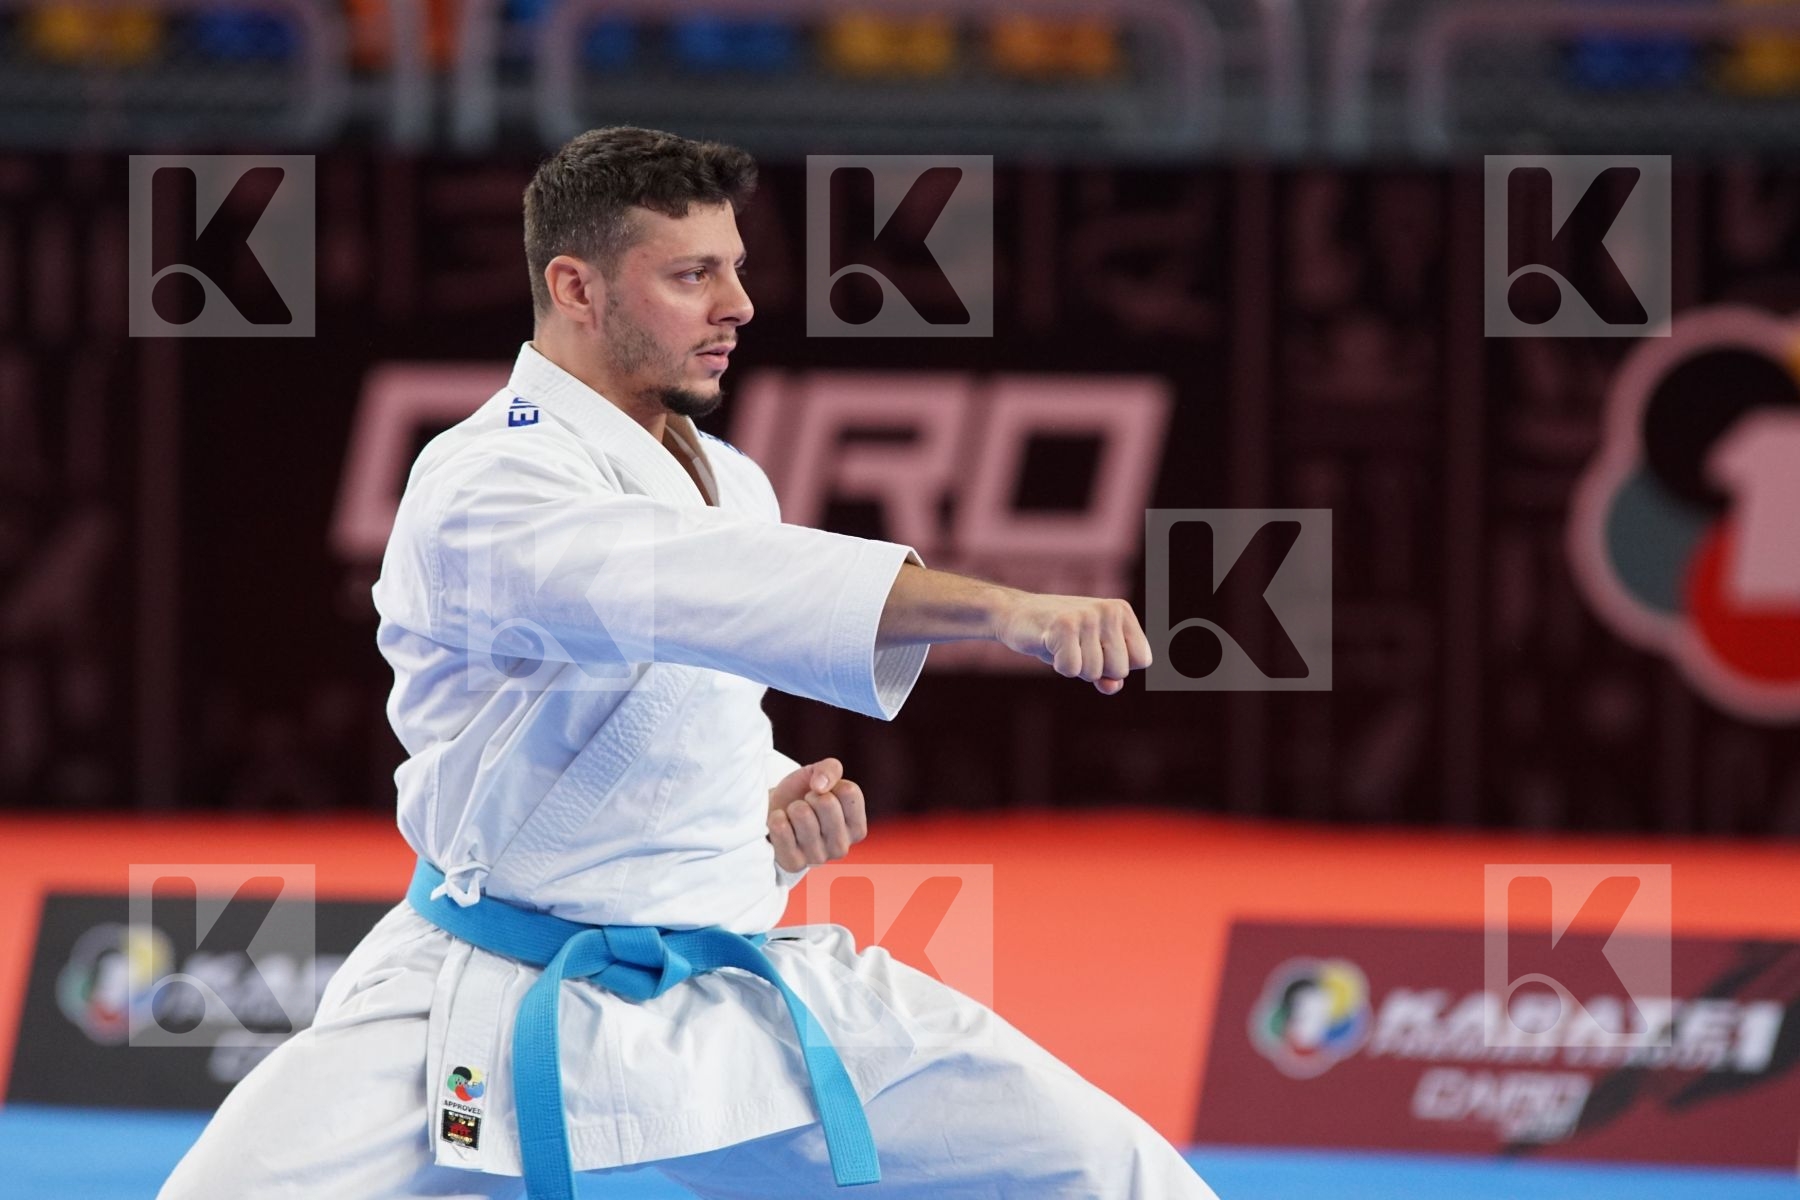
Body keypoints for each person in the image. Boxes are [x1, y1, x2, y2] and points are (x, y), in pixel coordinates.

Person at [158, 126, 1219, 1200]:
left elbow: (677, 695)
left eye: (737, 269)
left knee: (1111, 1172)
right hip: (484, 994)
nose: (738, 306)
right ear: (576, 286)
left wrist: (766, 793)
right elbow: (681, 585)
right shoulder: (483, 483)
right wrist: (1001, 608)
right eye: (691, 274)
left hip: (727, 991)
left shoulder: (728, 479)